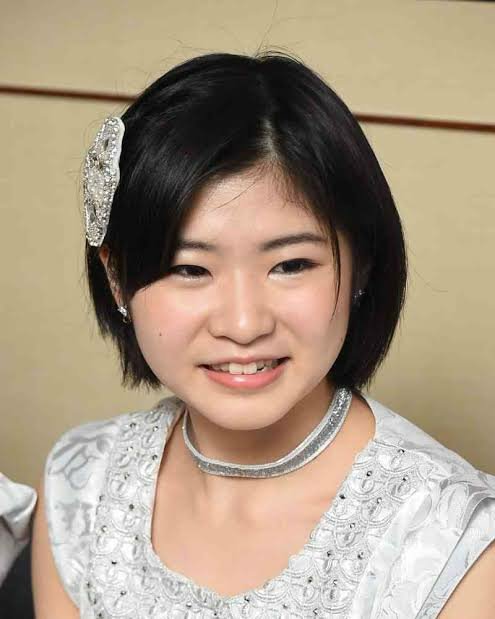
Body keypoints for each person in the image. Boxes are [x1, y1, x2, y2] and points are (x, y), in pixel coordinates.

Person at [31, 51, 495, 618]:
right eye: (190, 269)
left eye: (291, 265)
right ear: (116, 279)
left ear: (363, 267)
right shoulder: (81, 485)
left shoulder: (457, 544)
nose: (244, 324)